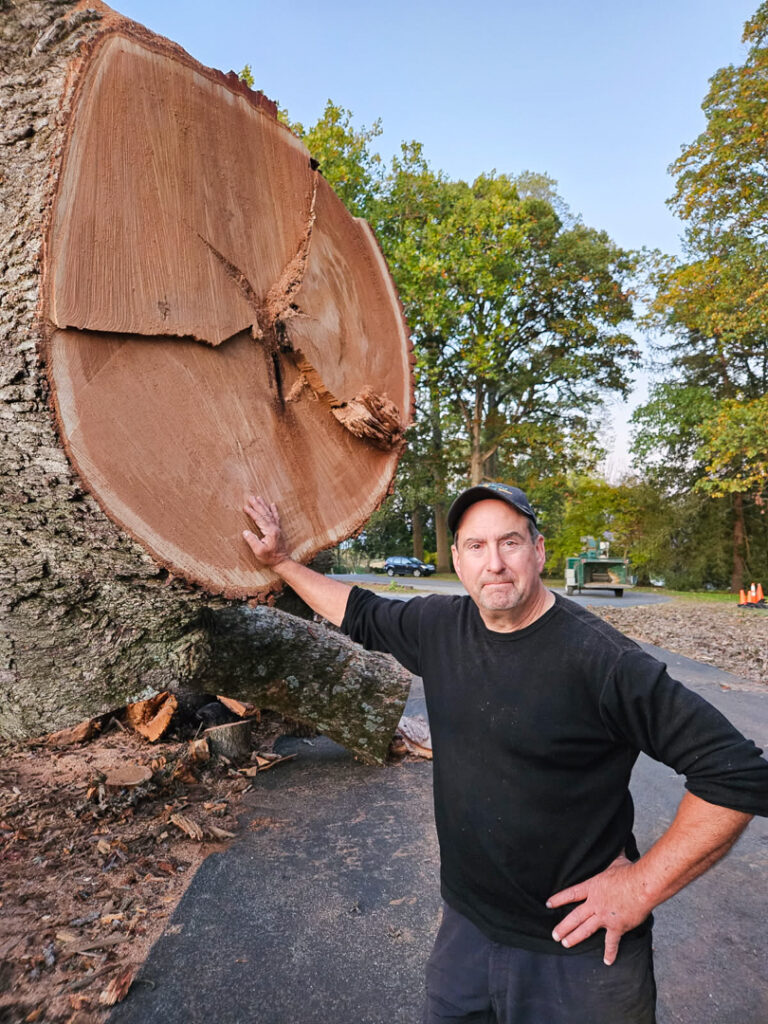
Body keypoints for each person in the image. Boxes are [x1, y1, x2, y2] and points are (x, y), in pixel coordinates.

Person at [242, 485, 768, 1024]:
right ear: (457, 560)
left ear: (538, 551)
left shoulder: (602, 661)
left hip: (578, 951)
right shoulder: (439, 628)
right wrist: (281, 561)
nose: (494, 563)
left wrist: (639, 887)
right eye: (475, 547)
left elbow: (738, 774)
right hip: (467, 931)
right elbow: (360, 611)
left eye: (510, 543)